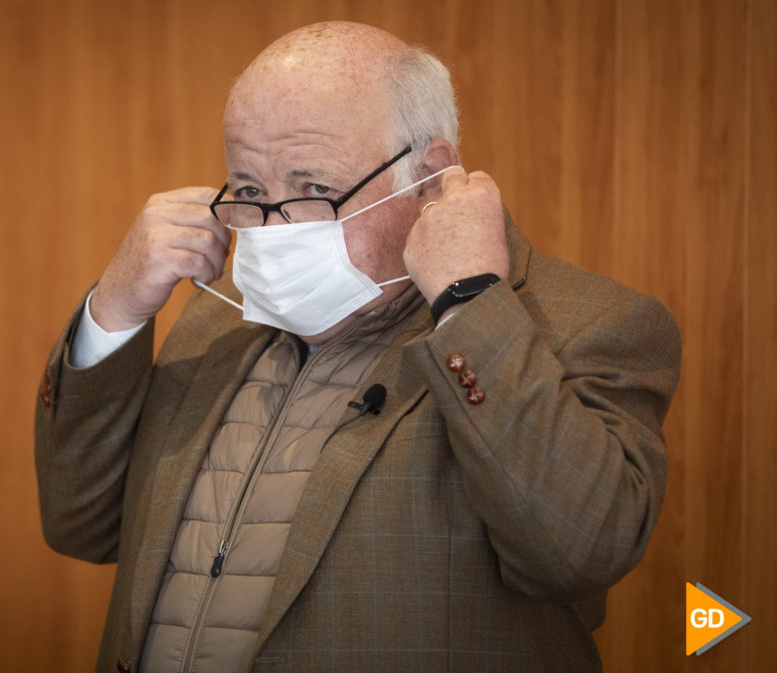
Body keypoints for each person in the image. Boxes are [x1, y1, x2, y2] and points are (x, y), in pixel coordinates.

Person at [35, 21, 681, 673]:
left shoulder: (591, 322)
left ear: (429, 178)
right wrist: (112, 311)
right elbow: (81, 525)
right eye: (252, 191)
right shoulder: (213, 324)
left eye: (313, 187)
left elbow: (581, 548)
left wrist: (470, 304)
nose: (271, 228)